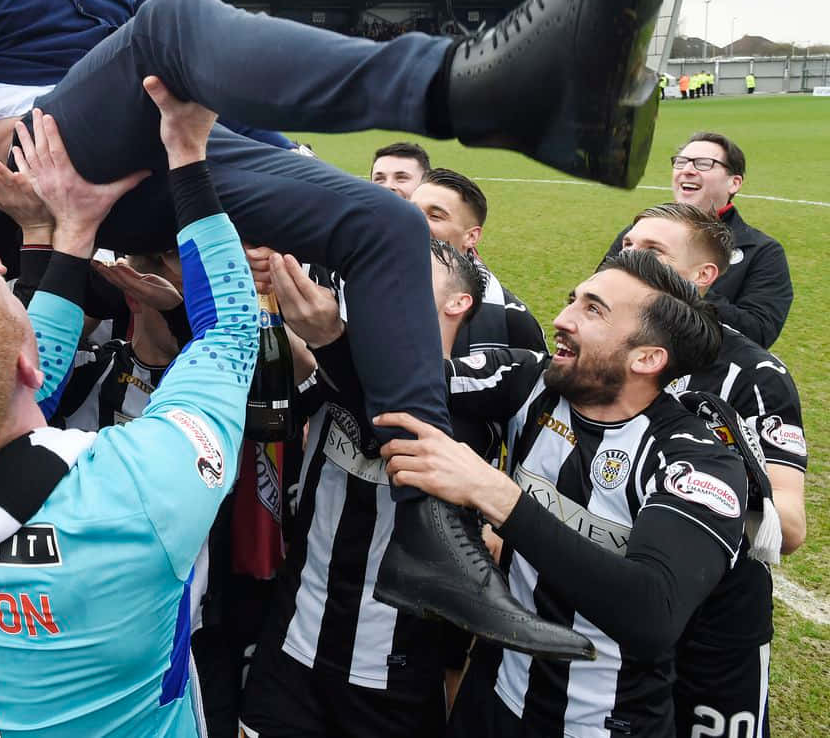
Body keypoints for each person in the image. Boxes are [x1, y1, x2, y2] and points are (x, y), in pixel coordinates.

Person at [0, 0, 676, 652]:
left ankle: (427, 525)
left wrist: (283, 150)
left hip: (168, 150)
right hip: (54, 157)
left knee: (386, 225)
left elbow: (201, 73)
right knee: (172, 21)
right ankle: (472, 88)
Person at [0, 79, 254, 736]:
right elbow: (230, 329)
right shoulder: (136, 492)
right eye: (8, 297)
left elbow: (10, 392)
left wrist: (70, 235)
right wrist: (188, 154)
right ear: (27, 363)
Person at [376, 248, 749, 738]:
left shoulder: (697, 460)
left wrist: (500, 498)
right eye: (574, 300)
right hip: (491, 700)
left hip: (603, 724)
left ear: (648, 358)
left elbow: (651, 613)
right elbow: (400, 379)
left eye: (592, 309)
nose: (561, 318)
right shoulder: (531, 382)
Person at [239, 238, 485, 738]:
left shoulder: (482, 400)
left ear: (458, 303)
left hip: (395, 674)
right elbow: (277, 408)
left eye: (408, 267)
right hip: (291, 648)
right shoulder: (333, 370)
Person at [619, 202, 807, 738]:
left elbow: (788, 530)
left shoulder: (755, 375)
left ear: (705, 276)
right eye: (629, 246)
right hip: (623, 594)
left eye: (653, 251)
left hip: (717, 620)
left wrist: (724, 471)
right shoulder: (605, 346)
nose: (632, 258)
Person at [604, 131, 792, 346]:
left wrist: (684, 286)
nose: (687, 170)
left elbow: (758, 333)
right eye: (681, 162)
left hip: (703, 372)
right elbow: (597, 295)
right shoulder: (638, 234)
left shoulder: (761, 251)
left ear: (734, 183)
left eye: (703, 164)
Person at [410, 168, 546, 355]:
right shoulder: (365, 288)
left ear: (471, 237)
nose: (415, 222)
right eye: (410, 211)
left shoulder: (512, 320)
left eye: (435, 216)